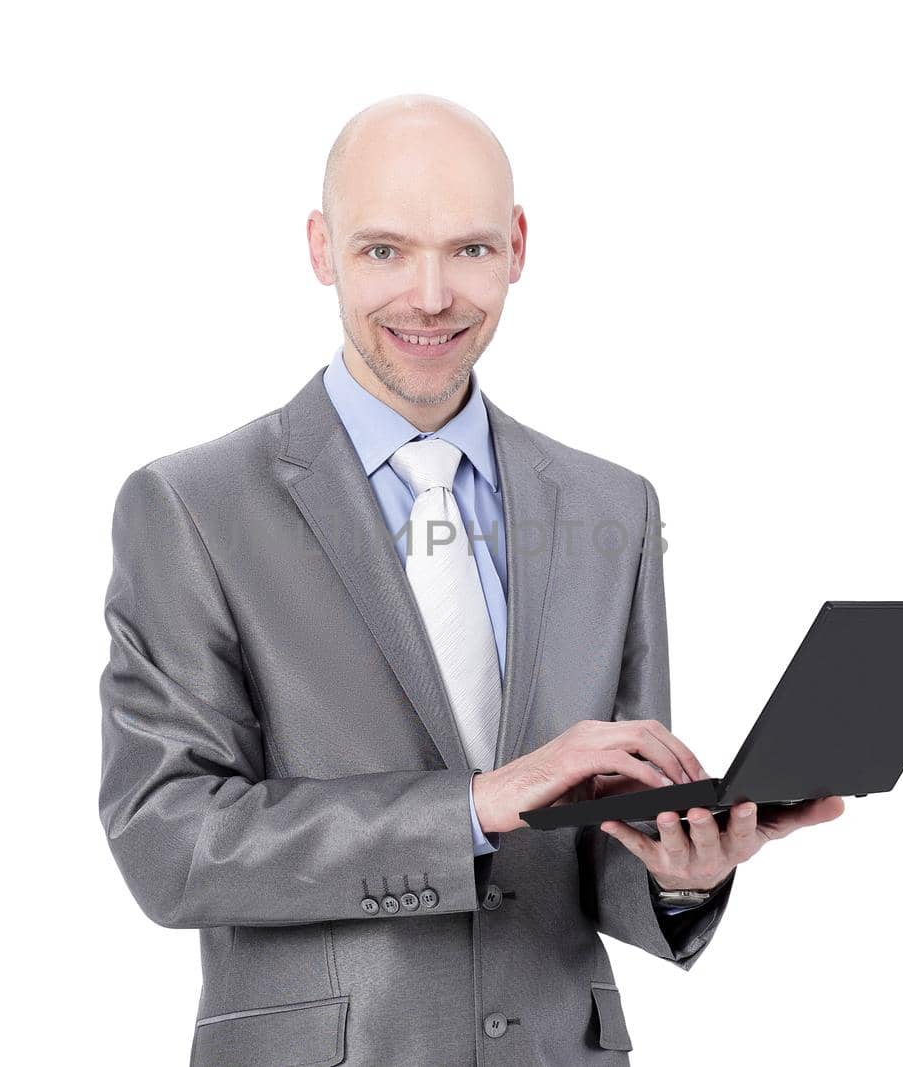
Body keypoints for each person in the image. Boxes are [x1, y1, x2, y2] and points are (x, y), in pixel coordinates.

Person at [97, 93, 844, 1067]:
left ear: (518, 245)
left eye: (470, 249)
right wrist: (473, 803)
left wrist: (678, 873)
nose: (431, 294)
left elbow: (593, 838)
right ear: (321, 248)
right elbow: (171, 841)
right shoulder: (193, 506)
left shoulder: (609, 505)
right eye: (383, 251)